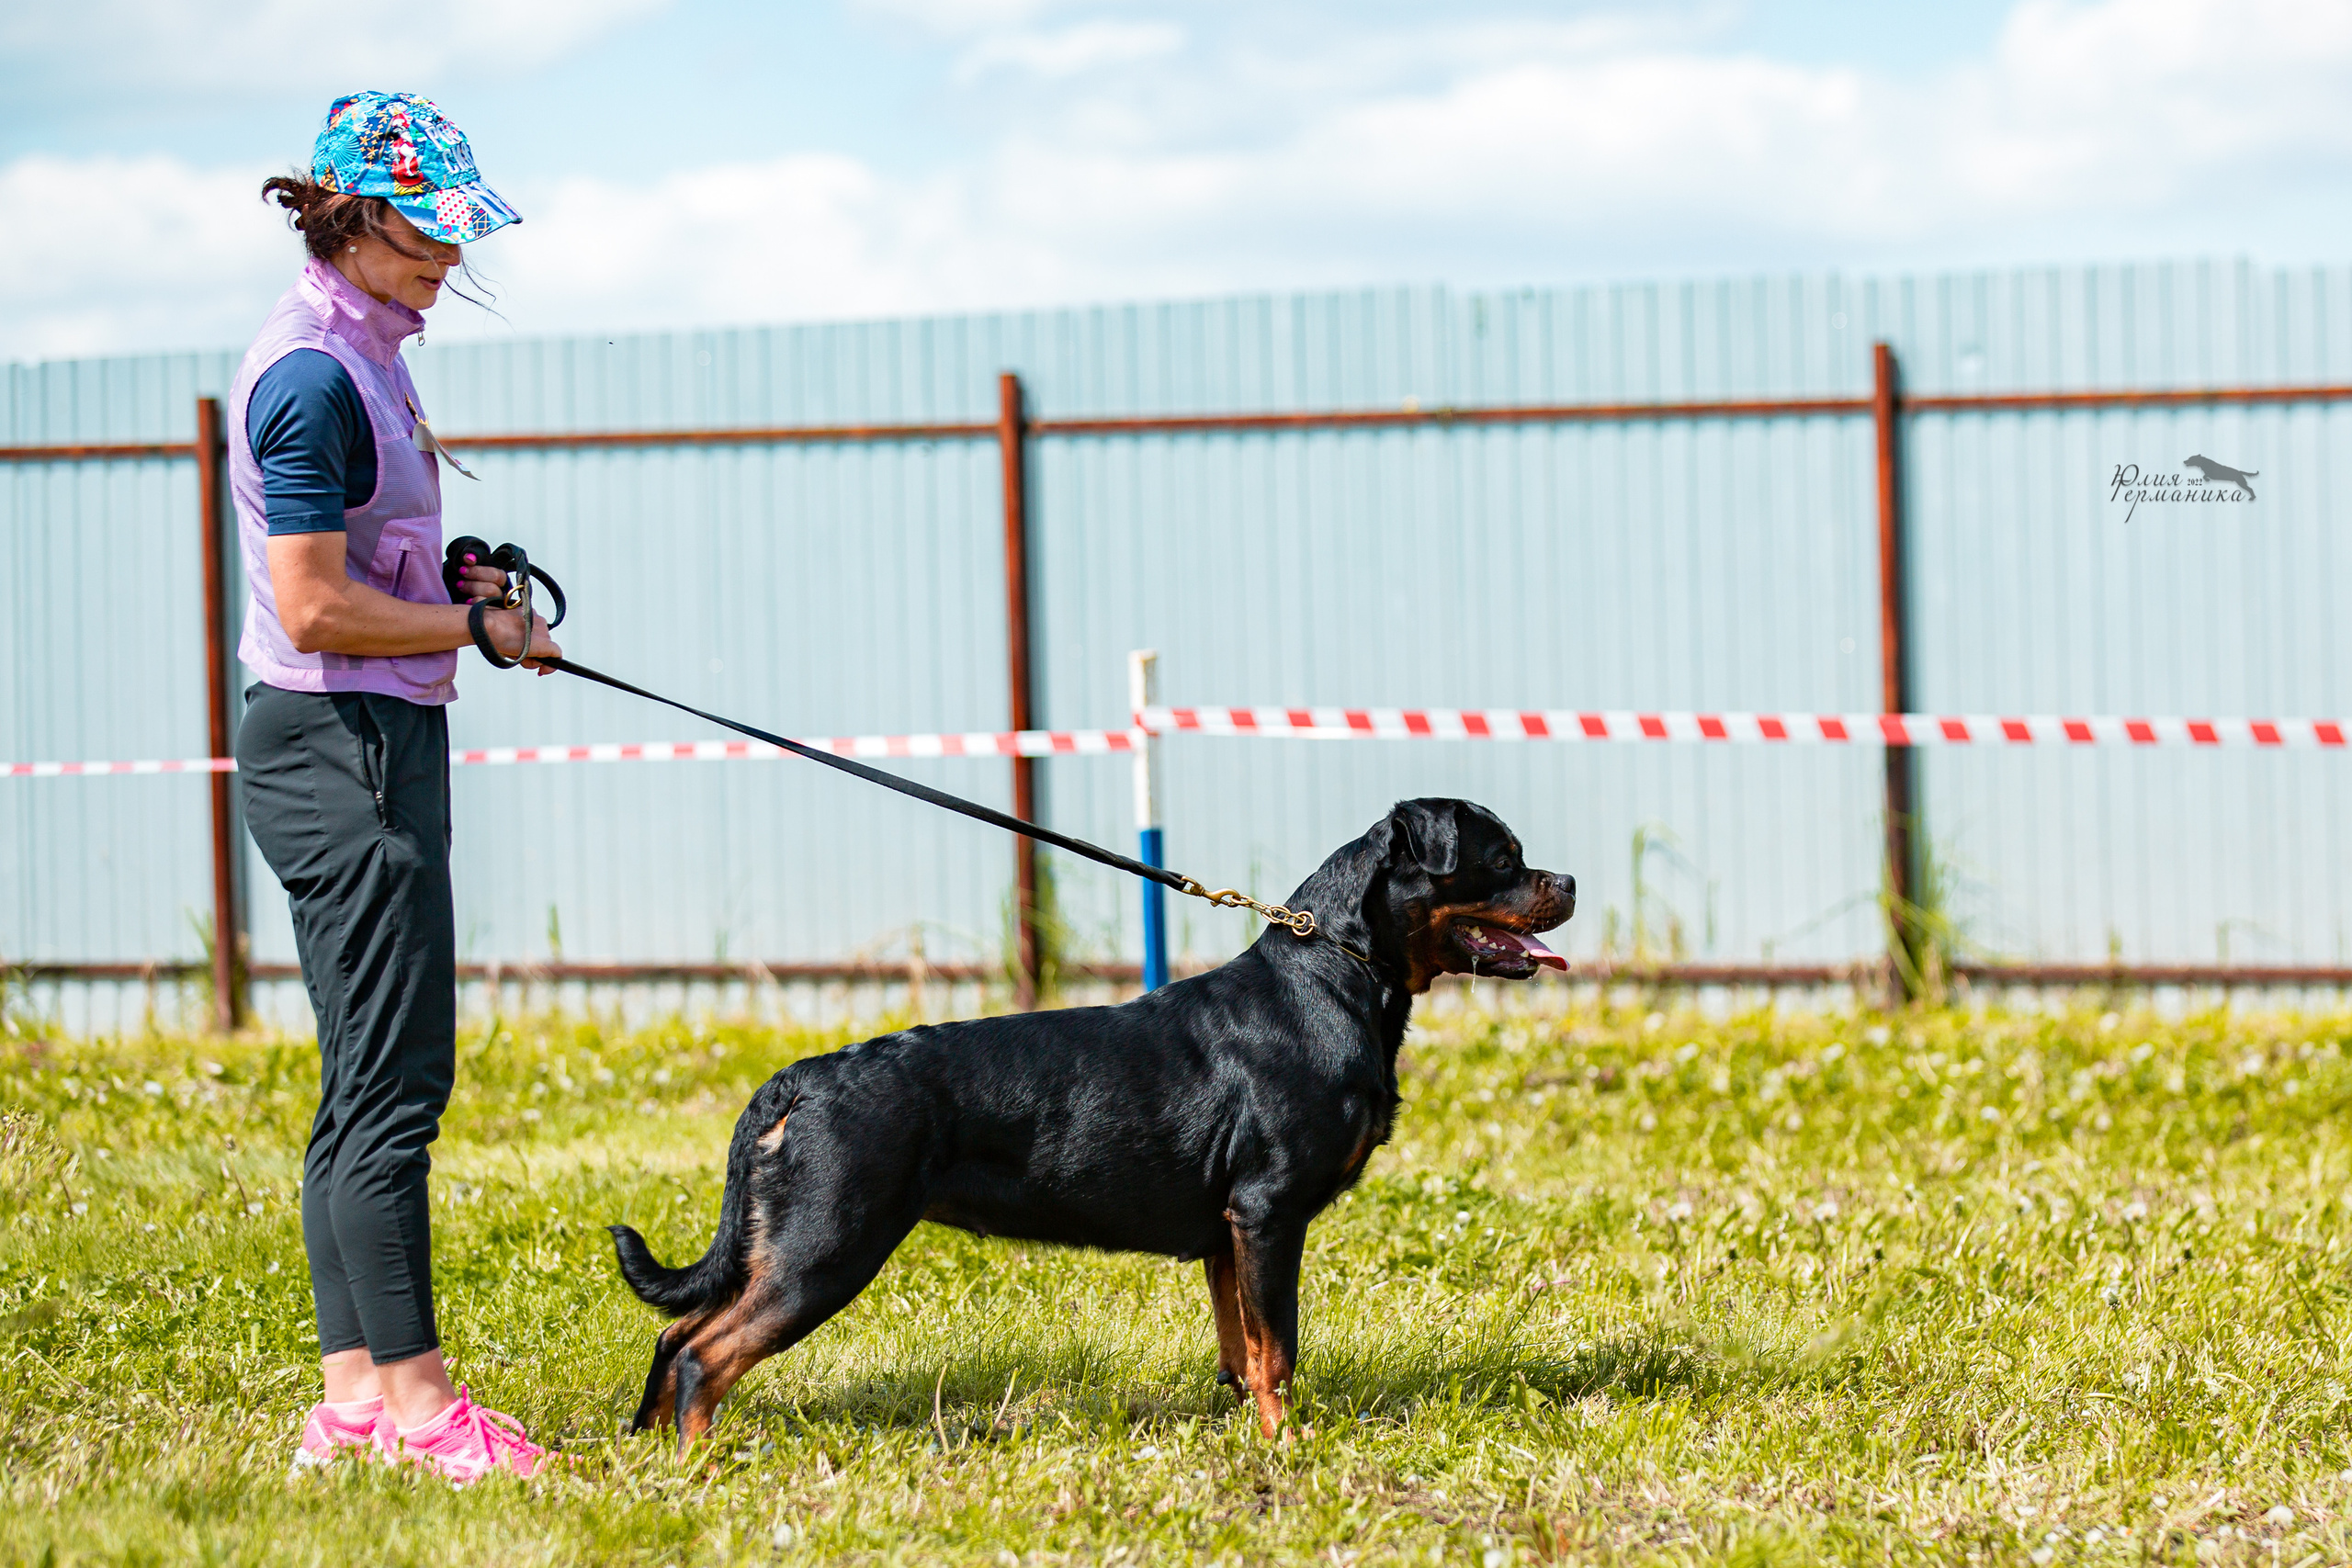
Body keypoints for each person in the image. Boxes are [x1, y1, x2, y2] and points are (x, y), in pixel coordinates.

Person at [230, 91, 557, 1484]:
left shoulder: (366, 350)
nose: (449, 256)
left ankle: (355, 1403)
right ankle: (425, 1417)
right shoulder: (307, 372)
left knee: (363, 1077)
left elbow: (367, 565)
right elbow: (311, 609)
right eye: (427, 229)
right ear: (353, 219)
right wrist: (477, 631)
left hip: (372, 737)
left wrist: (454, 581)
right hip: (337, 748)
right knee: (394, 1086)